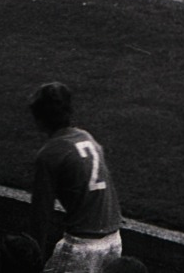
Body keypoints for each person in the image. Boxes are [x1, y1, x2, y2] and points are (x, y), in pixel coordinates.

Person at [27, 83, 121, 273]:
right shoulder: (88, 138)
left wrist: (33, 258)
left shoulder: (49, 154)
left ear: (40, 118)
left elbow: (41, 215)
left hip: (82, 246)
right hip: (114, 239)